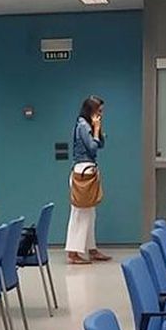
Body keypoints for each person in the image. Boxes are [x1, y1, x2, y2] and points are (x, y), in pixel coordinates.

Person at [65, 95, 109, 264]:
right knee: (80, 214)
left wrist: (98, 128)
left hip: (88, 171)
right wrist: (96, 130)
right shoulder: (83, 125)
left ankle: (92, 249)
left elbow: (101, 144)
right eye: (99, 111)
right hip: (83, 172)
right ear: (91, 110)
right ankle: (73, 252)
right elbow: (92, 147)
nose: (101, 115)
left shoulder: (88, 125)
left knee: (90, 214)